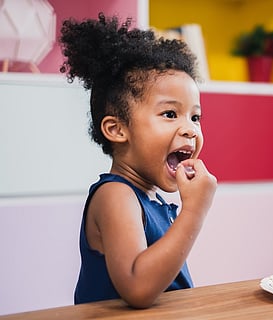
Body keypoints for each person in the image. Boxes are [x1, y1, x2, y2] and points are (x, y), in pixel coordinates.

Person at [59, 13, 217, 308]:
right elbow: (138, 287)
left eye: (195, 116)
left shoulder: (151, 198)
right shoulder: (115, 195)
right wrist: (194, 211)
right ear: (118, 129)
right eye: (170, 114)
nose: (190, 129)